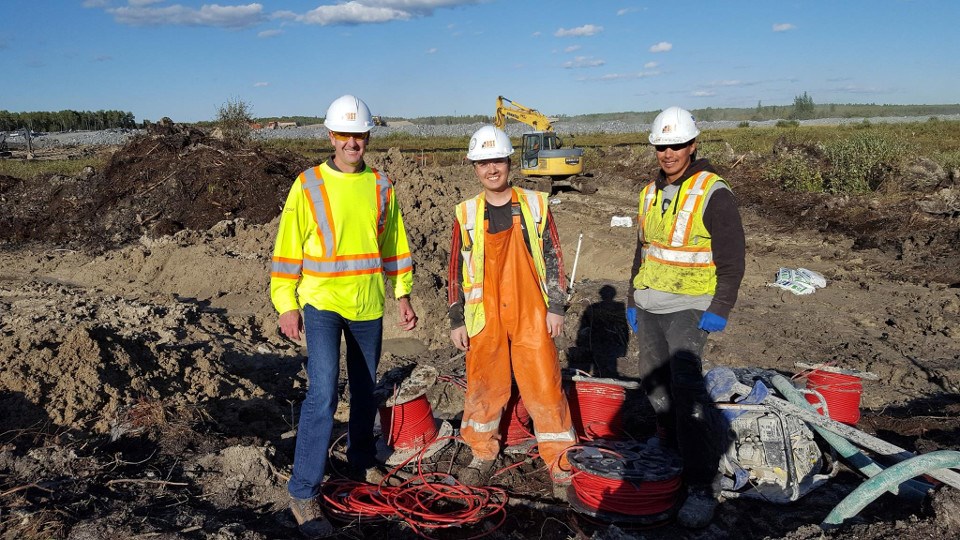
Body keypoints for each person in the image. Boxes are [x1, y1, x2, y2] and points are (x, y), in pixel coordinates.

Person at [270, 94, 417, 538]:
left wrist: (404, 295)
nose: (353, 142)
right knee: (323, 395)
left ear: (367, 137)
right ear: (331, 136)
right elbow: (287, 247)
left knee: (366, 389)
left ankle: (360, 461)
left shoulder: (381, 185)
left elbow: (394, 244)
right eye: (345, 135)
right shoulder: (309, 184)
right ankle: (302, 490)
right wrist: (286, 303)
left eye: (360, 134)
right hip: (320, 304)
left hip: (368, 304)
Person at [625, 106, 745, 528]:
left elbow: (732, 257)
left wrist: (720, 307)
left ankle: (700, 483)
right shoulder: (649, 192)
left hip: (691, 307)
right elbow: (642, 251)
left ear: (693, 145)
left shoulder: (713, 192)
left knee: (688, 391)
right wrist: (630, 298)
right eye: (662, 146)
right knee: (653, 386)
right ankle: (666, 445)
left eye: (676, 145)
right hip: (650, 304)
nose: (668, 152)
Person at [447, 125, 577, 498]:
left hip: (531, 311)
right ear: (474, 168)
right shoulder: (466, 213)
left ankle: (560, 460)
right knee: (485, 385)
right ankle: (481, 451)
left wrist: (556, 306)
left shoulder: (535, 205)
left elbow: (553, 256)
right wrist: (456, 318)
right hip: (484, 314)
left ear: (509, 163)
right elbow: (454, 268)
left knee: (544, 384)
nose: (491, 169)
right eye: (483, 162)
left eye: (497, 161)